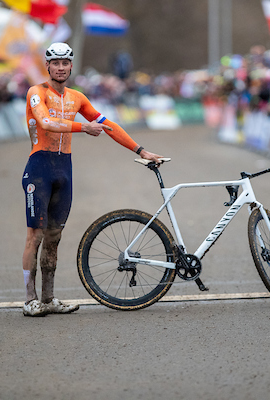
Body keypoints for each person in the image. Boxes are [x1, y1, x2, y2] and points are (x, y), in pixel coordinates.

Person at [21, 42, 163, 317]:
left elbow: (108, 124)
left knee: (54, 237)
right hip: (39, 170)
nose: (60, 68)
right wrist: (83, 127)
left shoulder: (77, 97)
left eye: (65, 63)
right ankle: (30, 299)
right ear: (48, 66)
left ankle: (48, 298)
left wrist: (141, 150)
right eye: (55, 63)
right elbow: (47, 122)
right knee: (35, 236)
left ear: (71, 66)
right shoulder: (36, 92)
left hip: (64, 169)